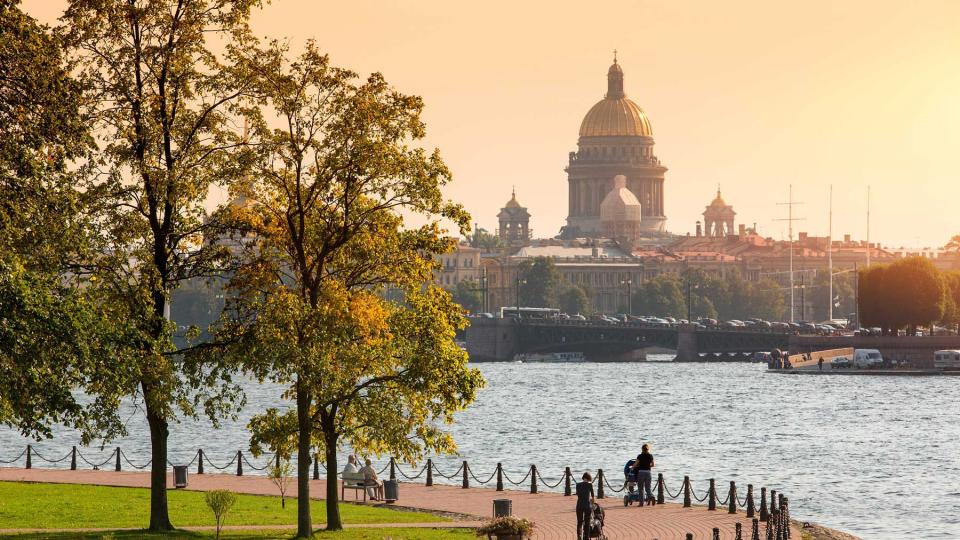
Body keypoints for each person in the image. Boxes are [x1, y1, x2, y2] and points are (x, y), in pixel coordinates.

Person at [575, 472, 595, 540]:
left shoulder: (578, 485)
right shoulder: (590, 485)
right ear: (588, 479)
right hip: (587, 506)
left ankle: (579, 537)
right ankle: (586, 538)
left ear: (583, 478)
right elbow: (592, 497)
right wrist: (592, 504)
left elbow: (578, 494)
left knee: (579, 522)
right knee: (587, 523)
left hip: (579, 505)